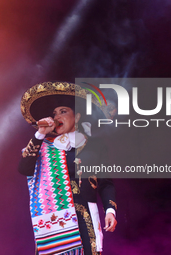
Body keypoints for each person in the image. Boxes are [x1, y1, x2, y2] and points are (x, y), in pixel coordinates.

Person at [18, 81, 117, 255]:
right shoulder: (44, 146)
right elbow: (24, 168)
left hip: (85, 213)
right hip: (54, 218)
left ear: (77, 117)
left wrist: (110, 210)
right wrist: (40, 133)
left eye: (63, 112)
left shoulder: (94, 145)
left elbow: (106, 183)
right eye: (54, 113)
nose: (57, 117)